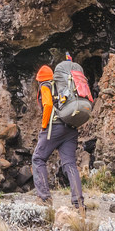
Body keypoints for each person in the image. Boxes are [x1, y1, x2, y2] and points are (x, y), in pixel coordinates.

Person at [32, 64, 84, 213]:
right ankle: (78, 204)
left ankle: (44, 198)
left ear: (39, 79)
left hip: (54, 128)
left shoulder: (45, 85)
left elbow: (47, 105)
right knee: (70, 164)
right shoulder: (63, 86)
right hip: (71, 127)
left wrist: (43, 126)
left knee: (38, 159)